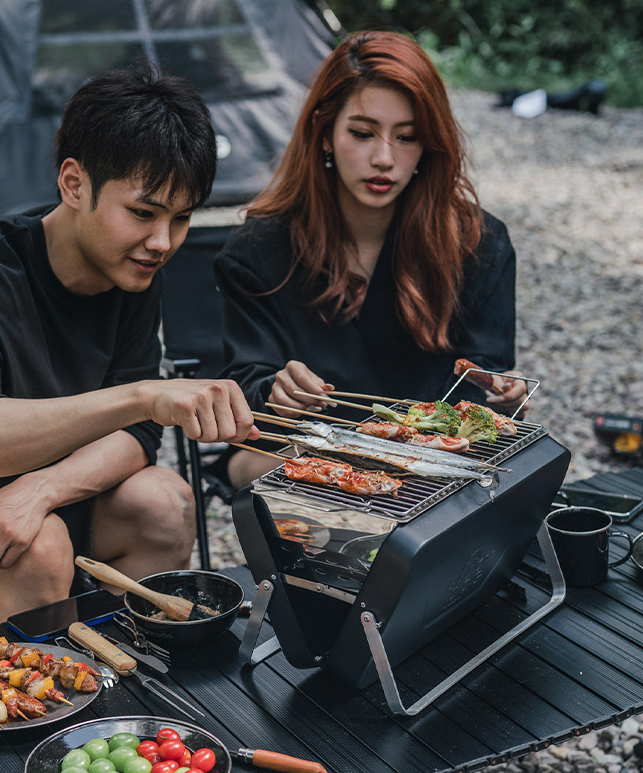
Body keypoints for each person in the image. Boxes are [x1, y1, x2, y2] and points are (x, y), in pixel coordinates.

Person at [0, 64, 257, 639]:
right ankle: (28, 720)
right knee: (37, 548)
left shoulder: (133, 268)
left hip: (13, 492)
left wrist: (41, 489)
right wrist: (142, 395)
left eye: (181, 218)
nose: (163, 242)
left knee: (163, 502)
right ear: (73, 184)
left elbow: (137, 439)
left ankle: (120, 687)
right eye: (143, 212)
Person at [213, 31, 527, 489]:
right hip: (308, 464)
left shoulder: (478, 241)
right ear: (324, 132)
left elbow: (487, 380)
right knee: (249, 467)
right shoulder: (257, 250)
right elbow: (247, 385)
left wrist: (500, 391)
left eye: (407, 137)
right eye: (362, 133)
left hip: (439, 470)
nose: (384, 158)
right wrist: (278, 392)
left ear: (428, 146)